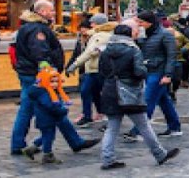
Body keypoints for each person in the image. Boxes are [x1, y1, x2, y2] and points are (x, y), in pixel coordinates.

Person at [98, 23, 179, 170]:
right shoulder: (133, 50)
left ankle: (107, 159)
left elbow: (102, 71)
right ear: (128, 35)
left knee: (112, 127)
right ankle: (160, 154)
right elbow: (139, 72)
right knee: (143, 125)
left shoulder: (105, 51)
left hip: (110, 90)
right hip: (130, 92)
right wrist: (144, 68)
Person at [10, 1, 65, 155]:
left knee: (27, 109)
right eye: (51, 10)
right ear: (41, 11)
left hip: (29, 73)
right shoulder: (37, 29)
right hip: (38, 75)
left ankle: (18, 143)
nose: (54, 13)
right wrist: (49, 70)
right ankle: (42, 144)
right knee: (54, 107)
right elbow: (40, 52)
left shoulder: (29, 26)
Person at [22, 63, 99, 164]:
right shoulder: (44, 93)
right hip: (47, 119)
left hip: (47, 119)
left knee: (47, 135)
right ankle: (47, 155)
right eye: (52, 81)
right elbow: (51, 106)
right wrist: (62, 110)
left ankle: (31, 149)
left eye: (56, 81)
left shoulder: (43, 90)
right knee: (48, 136)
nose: (54, 84)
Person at [127, 11, 181, 140]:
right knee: (164, 101)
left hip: (159, 72)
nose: (139, 25)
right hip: (149, 70)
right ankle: (174, 127)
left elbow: (171, 56)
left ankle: (139, 131)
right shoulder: (146, 34)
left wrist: (168, 74)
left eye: (141, 22)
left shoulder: (165, 35)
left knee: (148, 100)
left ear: (149, 22)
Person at [67, 13, 114, 127]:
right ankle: (95, 115)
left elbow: (90, 52)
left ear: (98, 24)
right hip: (94, 68)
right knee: (91, 92)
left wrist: (75, 64)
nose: (91, 24)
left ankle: (106, 116)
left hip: (96, 68)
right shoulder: (94, 35)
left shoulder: (100, 36)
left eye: (92, 22)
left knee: (89, 91)